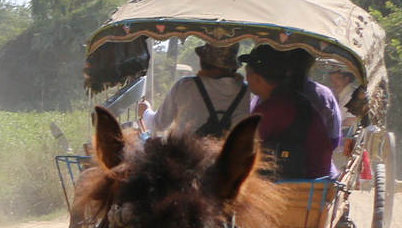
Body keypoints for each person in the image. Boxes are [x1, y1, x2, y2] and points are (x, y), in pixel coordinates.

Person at [241, 44, 343, 180]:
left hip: (300, 180)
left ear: (256, 77)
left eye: (247, 73)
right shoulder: (294, 99)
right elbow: (334, 140)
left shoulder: (271, 108)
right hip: (319, 173)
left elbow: (246, 150)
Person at [146, 42, 248, 139]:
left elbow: (158, 125)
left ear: (203, 61)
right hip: (229, 156)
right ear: (232, 67)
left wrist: (146, 111)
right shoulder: (246, 90)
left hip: (187, 155)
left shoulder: (186, 85)